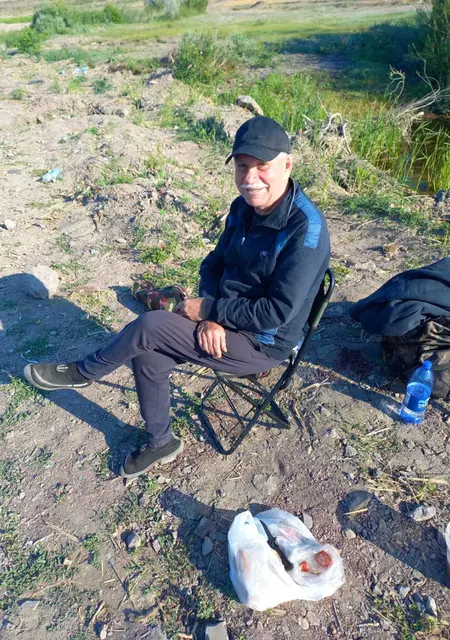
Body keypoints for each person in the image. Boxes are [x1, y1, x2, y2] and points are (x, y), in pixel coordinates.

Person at [24, 116, 330, 479]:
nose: (250, 178)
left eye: (262, 166)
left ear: (287, 165)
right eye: (242, 166)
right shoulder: (241, 208)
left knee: (151, 326)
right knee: (149, 355)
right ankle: (161, 443)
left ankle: (83, 372)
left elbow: (277, 312)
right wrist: (211, 317)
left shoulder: (305, 229)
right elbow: (214, 265)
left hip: (262, 343)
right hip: (226, 320)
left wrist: (210, 309)